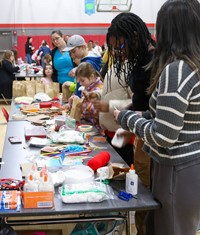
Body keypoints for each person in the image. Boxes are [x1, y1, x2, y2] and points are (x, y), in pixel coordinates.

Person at [114, 1, 200, 234]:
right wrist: (133, 115)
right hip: (182, 167)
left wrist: (126, 118)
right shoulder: (190, 66)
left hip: (177, 170)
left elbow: (163, 135)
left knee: (170, 229)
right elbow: (164, 116)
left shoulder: (178, 70)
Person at [96, 12, 155, 235]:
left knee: (147, 202)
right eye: (113, 47)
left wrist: (110, 108)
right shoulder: (134, 61)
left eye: (120, 45)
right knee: (141, 200)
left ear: (133, 36)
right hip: (137, 136)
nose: (118, 51)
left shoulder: (151, 61)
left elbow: (142, 107)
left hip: (149, 141)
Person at [67, 62, 103, 130]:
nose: (80, 83)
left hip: (97, 128)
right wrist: (76, 101)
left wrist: (82, 103)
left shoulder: (99, 89)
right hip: (88, 125)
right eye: (79, 81)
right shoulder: (87, 87)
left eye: (82, 81)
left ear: (92, 76)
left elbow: (96, 112)